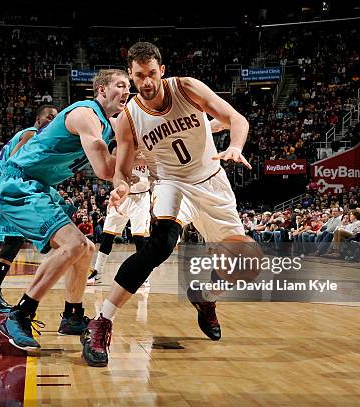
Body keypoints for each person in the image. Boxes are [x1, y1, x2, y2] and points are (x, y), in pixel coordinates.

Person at [82, 42, 252, 367]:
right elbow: (121, 170)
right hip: (171, 183)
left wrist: (235, 146)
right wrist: (119, 187)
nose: (146, 82)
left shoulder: (187, 88)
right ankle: (101, 321)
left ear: (161, 70)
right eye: (138, 76)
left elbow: (236, 118)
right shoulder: (129, 117)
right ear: (131, 77)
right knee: (158, 246)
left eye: (150, 74)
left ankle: (205, 298)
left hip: (211, 179)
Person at [0, 69, 131, 350]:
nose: (127, 91)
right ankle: (19, 314)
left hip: (39, 185)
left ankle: (72, 315)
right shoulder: (85, 115)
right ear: (102, 90)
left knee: (86, 249)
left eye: (129, 86)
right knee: (73, 244)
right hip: (18, 183)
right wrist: (130, 158)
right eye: (121, 85)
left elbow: (136, 138)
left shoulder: (109, 122)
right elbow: (106, 169)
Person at [0, 105, 58, 312]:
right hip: (1, 181)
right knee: (15, 237)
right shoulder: (32, 134)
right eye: (49, 117)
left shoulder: (32, 136)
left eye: (56, 118)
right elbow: (12, 163)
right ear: (38, 119)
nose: (53, 121)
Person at [88, 162, 150, 285]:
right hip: (122, 197)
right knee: (107, 235)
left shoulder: (148, 151)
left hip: (140, 198)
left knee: (139, 238)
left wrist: (141, 180)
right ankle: (97, 273)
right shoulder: (121, 150)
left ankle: (144, 275)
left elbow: (156, 177)